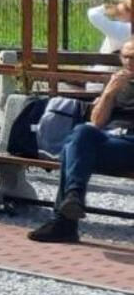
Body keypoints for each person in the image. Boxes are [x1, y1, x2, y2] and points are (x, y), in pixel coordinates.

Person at [28, 37, 134, 243]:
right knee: (81, 133)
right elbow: (97, 122)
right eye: (126, 57)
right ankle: (72, 198)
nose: (130, 62)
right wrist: (109, 93)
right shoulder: (118, 83)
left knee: (71, 148)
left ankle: (64, 222)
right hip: (111, 142)